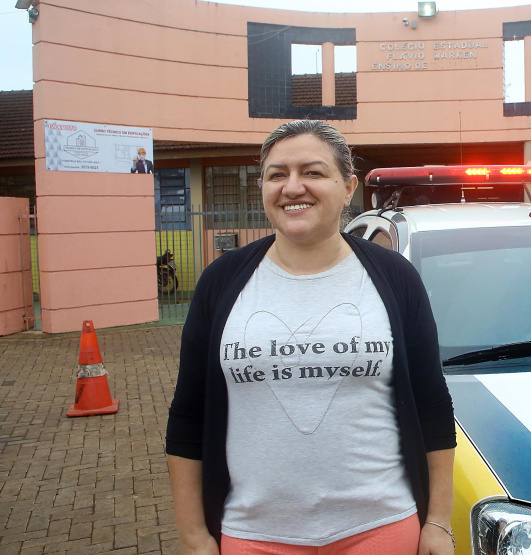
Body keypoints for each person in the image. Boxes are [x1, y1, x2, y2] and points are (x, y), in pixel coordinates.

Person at [165, 120, 457, 555]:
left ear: (347, 187)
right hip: (253, 534)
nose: (292, 187)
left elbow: (432, 403)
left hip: (380, 529)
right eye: (277, 174)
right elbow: (189, 414)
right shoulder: (221, 281)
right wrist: (193, 535)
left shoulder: (395, 278)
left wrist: (437, 521)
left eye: (313, 172)